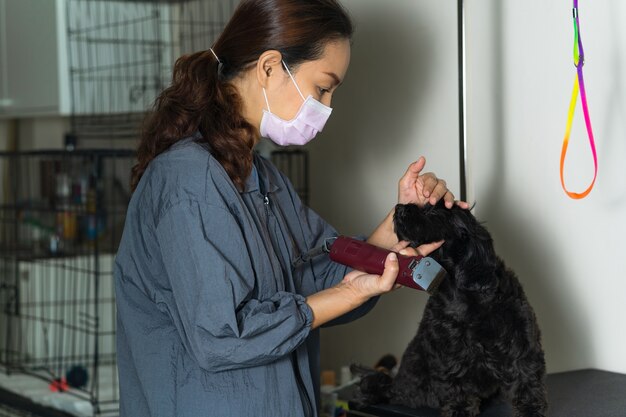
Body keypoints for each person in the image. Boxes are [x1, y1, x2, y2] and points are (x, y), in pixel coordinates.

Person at [114, 0, 468, 416]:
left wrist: (402, 220)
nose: (328, 106)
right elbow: (223, 336)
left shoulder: (261, 176)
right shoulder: (188, 181)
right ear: (269, 67)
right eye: (322, 87)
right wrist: (347, 293)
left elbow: (316, 275)